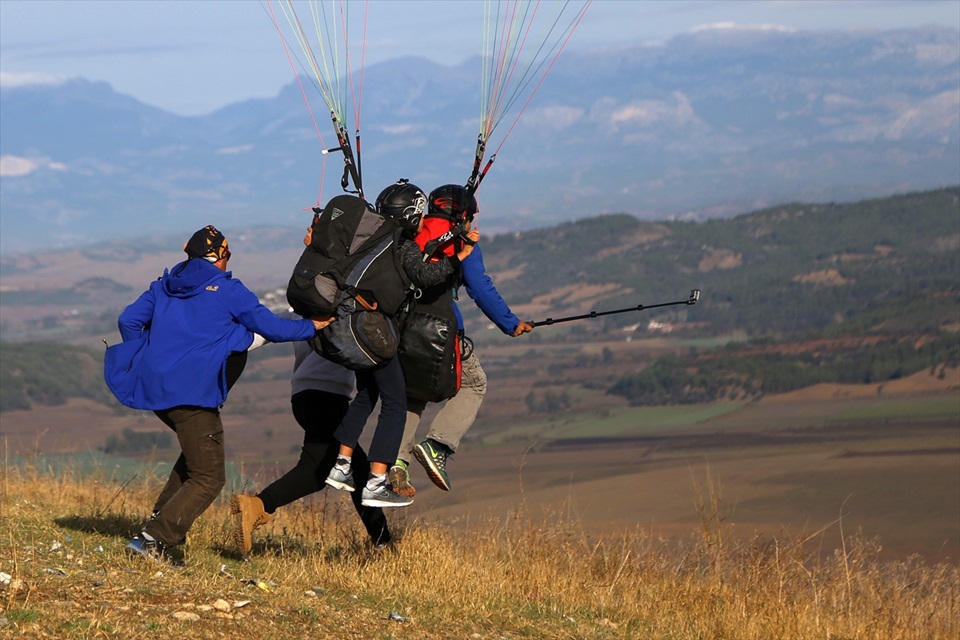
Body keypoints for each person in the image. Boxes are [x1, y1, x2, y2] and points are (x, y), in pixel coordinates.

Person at [105, 225, 332, 563]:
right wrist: (311, 326)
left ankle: (159, 522)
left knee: (194, 460)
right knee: (210, 476)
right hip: (192, 395)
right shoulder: (228, 290)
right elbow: (270, 326)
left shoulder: (164, 285)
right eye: (227, 255)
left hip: (157, 390)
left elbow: (128, 320)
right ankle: (153, 540)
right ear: (221, 256)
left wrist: (149, 351)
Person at [229, 225, 391, 556]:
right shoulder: (339, 305)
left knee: (351, 472)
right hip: (327, 397)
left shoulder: (303, 305)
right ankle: (257, 505)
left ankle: (384, 544)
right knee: (321, 471)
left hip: (305, 396)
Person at [323, 181, 480, 508]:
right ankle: (376, 482)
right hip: (378, 334)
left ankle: (341, 466)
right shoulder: (401, 245)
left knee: (366, 397)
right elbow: (424, 276)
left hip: (353, 329)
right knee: (395, 403)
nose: (423, 221)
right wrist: (458, 258)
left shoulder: (370, 242)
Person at [388, 186, 533, 496]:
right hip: (441, 333)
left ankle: (397, 462)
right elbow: (479, 288)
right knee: (475, 382)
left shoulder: (412, 231)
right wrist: (511, 323)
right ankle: (437, 445)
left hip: (400, 330)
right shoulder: (461, 240)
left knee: (413, 392)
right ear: (464, 215)